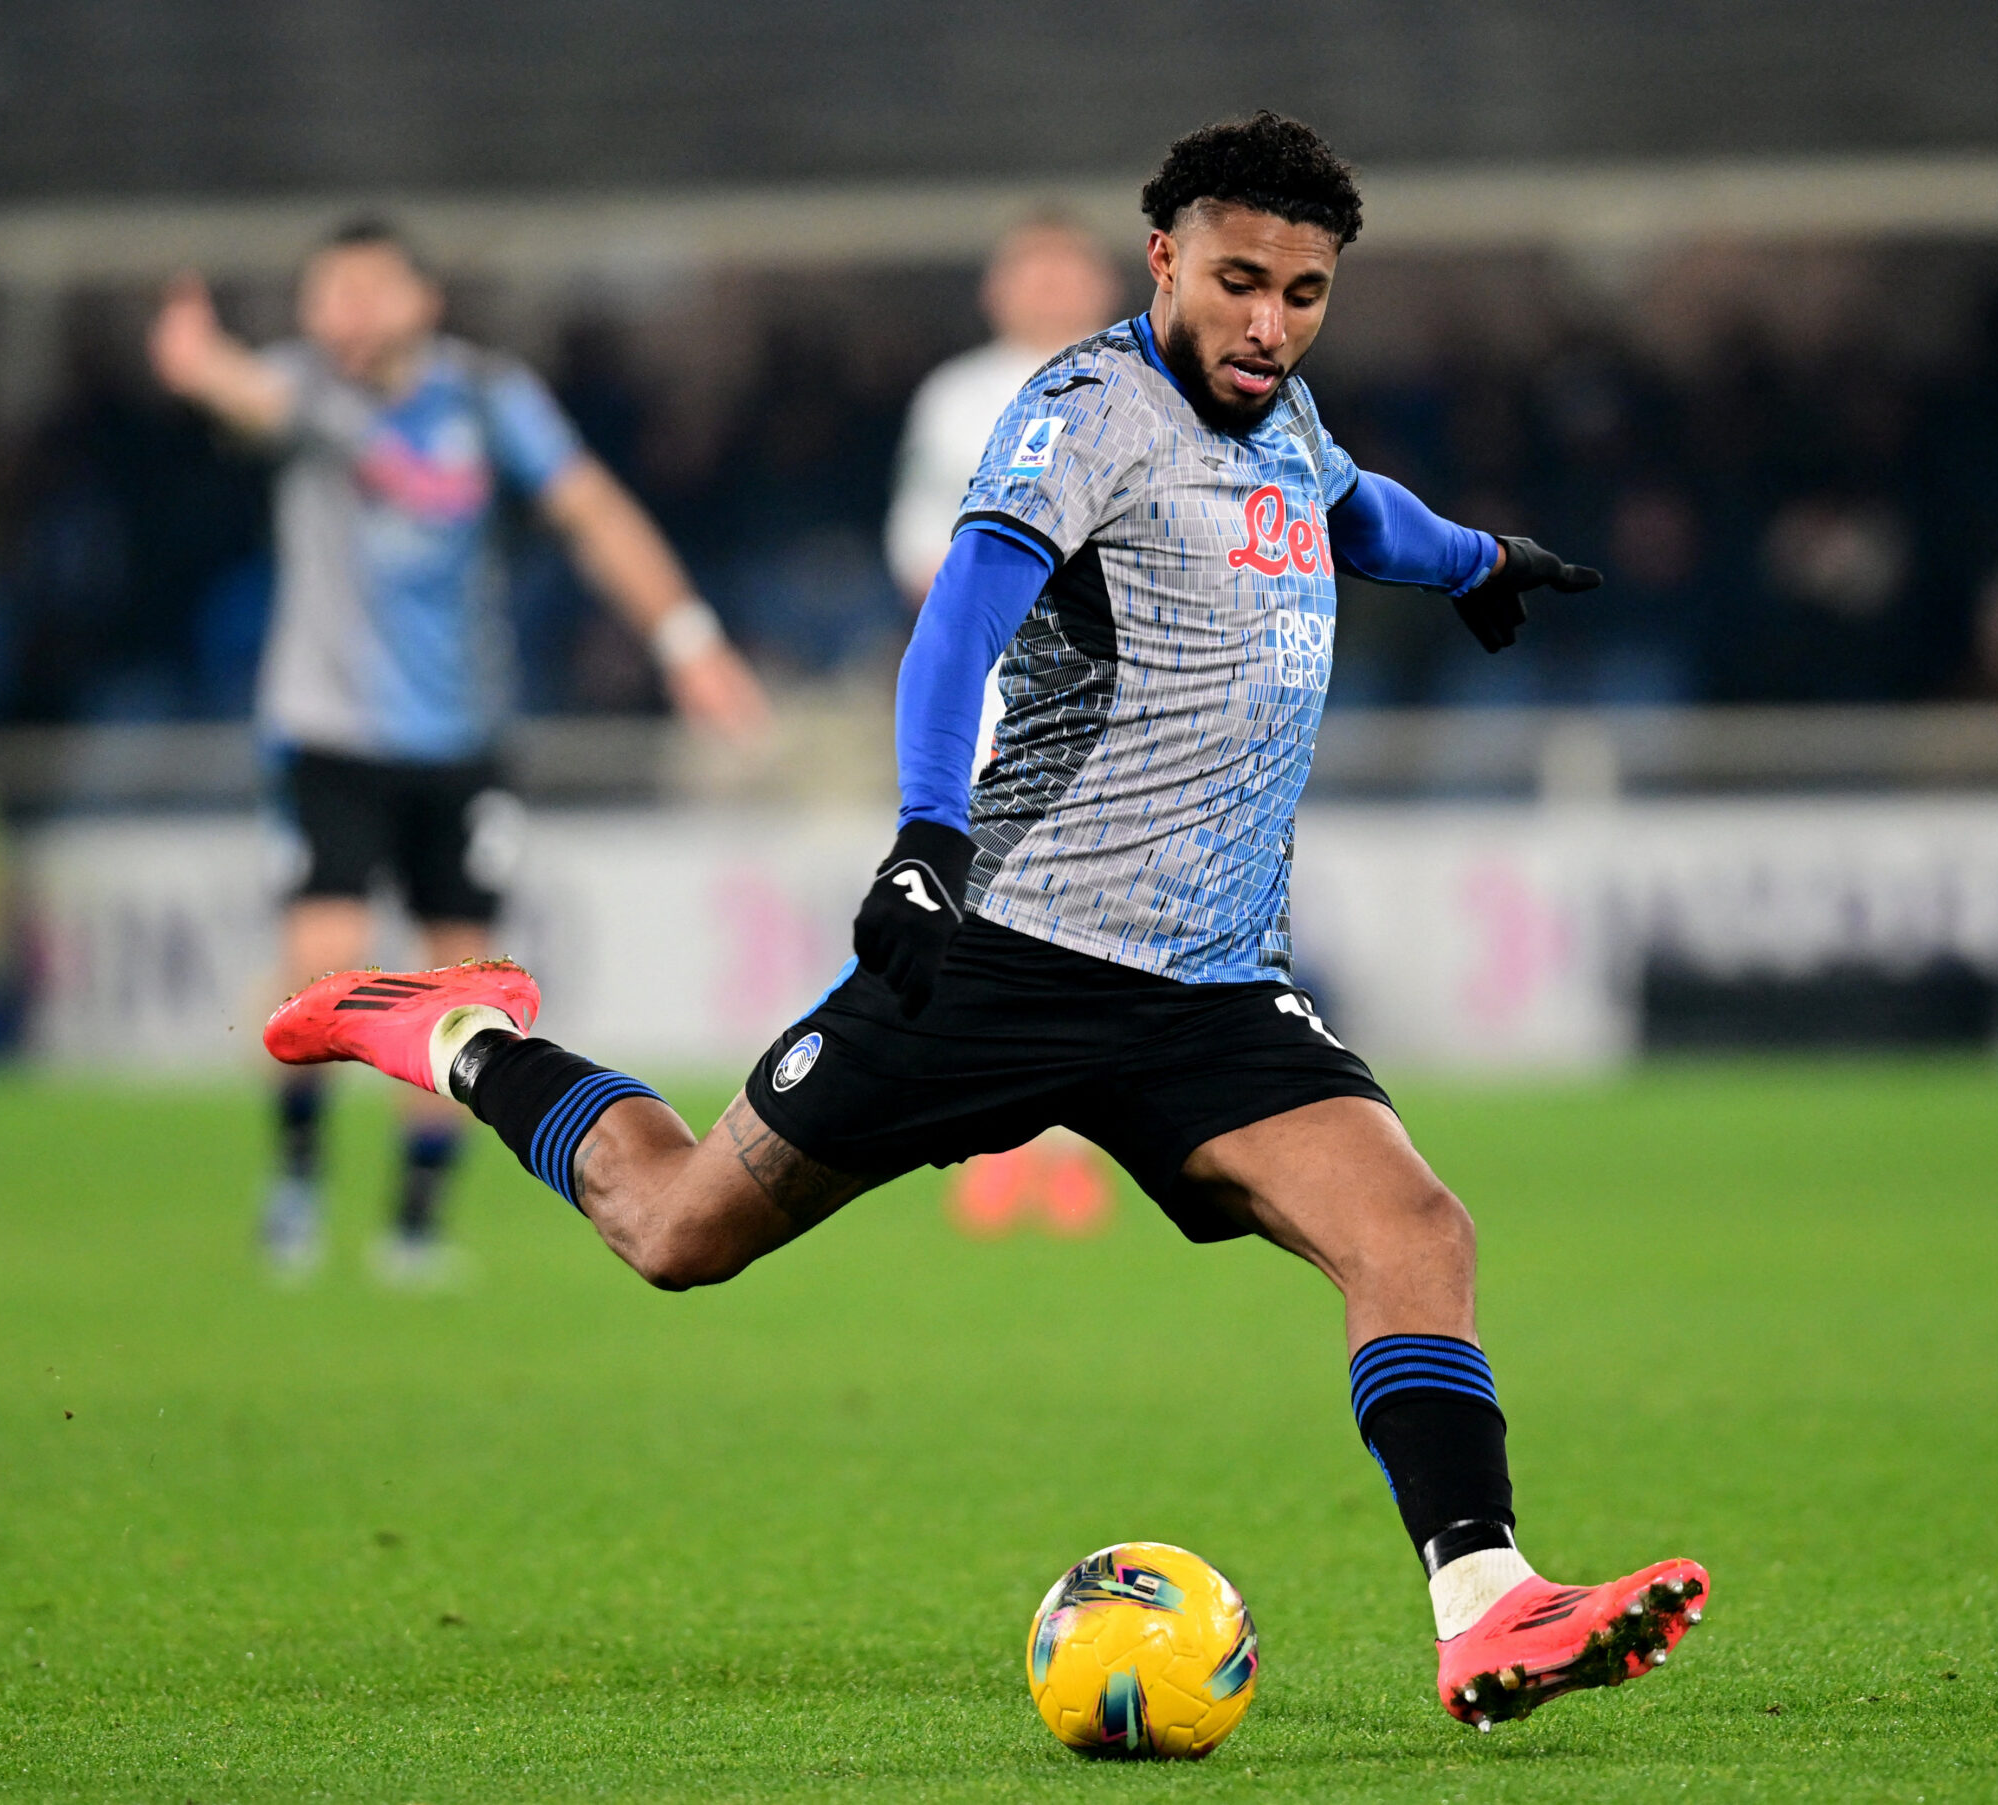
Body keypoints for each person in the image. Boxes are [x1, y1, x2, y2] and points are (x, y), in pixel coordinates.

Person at [263, 118, 1704, 1725]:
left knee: (1417, 1231)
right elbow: (958, 623)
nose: (1268, 325)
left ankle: (1488, 1605)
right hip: (1006, 949)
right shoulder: (1084, 414)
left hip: (1212, 989)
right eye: (1237, 283)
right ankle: (456, 1030)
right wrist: (927, 842)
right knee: (673, 1229)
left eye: (1304, 295)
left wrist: (1474, 559)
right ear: (1160, 258)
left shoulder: (1281, 412)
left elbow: (1351, 508)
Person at [148, 218, 768, 1283]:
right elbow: (247, 394)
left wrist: (686, 638)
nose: (339, 313)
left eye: (362, 290)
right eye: (323, 293)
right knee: (322, 959)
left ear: (421, 300)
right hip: (329, 734)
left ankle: (415, 1219)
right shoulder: (308, 393)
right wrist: (199, 367)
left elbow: (592, 510)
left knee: (456, 989)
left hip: (463, 741)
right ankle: (296, 1179)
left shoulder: (487, 400)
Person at [885, 217, 1126, 1238]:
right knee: (989, 917)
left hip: (1123, 695)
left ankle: (1072, 1148)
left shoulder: (1147, 388)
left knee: (1097, 917)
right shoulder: (956, 397)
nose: (1047, 287)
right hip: (994, 695)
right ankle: (994, 1144)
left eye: (1065, 268)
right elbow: (913, 541)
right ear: (996, 287)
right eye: (1030, 268)